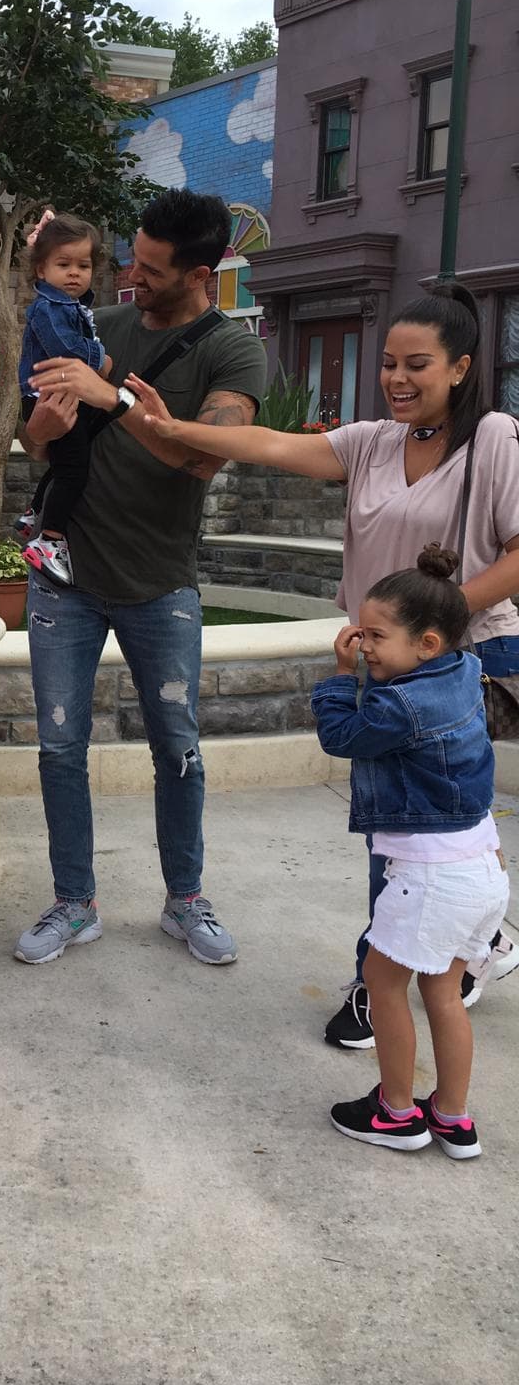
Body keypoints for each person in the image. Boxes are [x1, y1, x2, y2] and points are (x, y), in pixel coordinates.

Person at [128, 281, 519, 1042]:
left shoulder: (494, 438)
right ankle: (481, 939)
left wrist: (437, 618)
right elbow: (271, 444)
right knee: (427, 823)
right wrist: (173, 424)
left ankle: (384, 980)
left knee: (405, 825)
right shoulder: (372, 442)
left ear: (461, 368)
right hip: (388, 661)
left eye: (419, 366)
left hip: (458, 657)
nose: (398, 381)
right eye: (389, 365)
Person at [12, 188, 266, 968]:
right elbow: (40, 448)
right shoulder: (95, 323)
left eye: (151, 268)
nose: (129, 275)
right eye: (130, 257)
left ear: (201, 271)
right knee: (60, 749)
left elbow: (204, 457)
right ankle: (73, 902)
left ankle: (184, 898)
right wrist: (42, 429)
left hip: (160, 582)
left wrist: (113, 398)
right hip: (67, 581)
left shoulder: (233, 350)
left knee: (178, 747)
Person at [313, 546, 506, 1156]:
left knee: (383, 983)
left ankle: (397, 1112)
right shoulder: (463, 675)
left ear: (426, 643)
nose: (362, 643)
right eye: (359, 633)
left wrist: (342, 679)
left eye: (374, 635)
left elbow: (342, 736)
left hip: (431, 875)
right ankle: (452, 1116)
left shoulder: (403, 703)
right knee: (444, 994)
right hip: (478, 865)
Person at [14, 212, 112, 586]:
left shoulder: (70, 306)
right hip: (49, 396)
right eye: (63, 264)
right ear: (41, 270)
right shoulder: (49, 307)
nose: (74, 273)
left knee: (64, 462)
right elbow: (66, 349)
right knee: (74, 470)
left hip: (59, 394)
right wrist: (101, 360)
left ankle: (33, 512)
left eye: (83, 265)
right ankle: (50, 541)